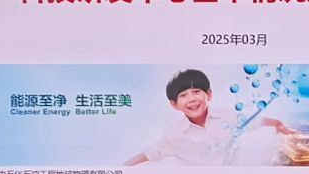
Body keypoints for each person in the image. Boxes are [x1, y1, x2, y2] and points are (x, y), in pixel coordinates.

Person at [124, 68, 291, 166]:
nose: (191, 99)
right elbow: (149, 154)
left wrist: (278, 124)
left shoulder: (226, 116)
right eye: (183, 95)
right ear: (174, 104)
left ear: (209, 94)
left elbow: (254, 120)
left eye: (196, 91)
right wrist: (121, 170)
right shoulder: (174, 134)